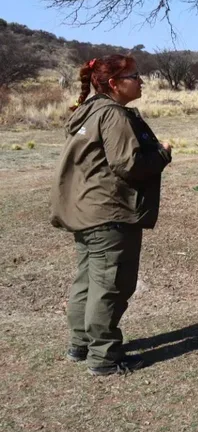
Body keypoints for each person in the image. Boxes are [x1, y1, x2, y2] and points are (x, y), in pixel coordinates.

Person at [50, 55, 172, 376]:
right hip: (110, 214)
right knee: (111, 285)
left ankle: (80, 344)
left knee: (88, 281)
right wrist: (162, 154)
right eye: (135, 75)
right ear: (115, 84)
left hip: (87, 211)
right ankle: (104, 357)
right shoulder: (113, 116)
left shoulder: (88, 113)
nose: (141, 80)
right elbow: (129, 165)